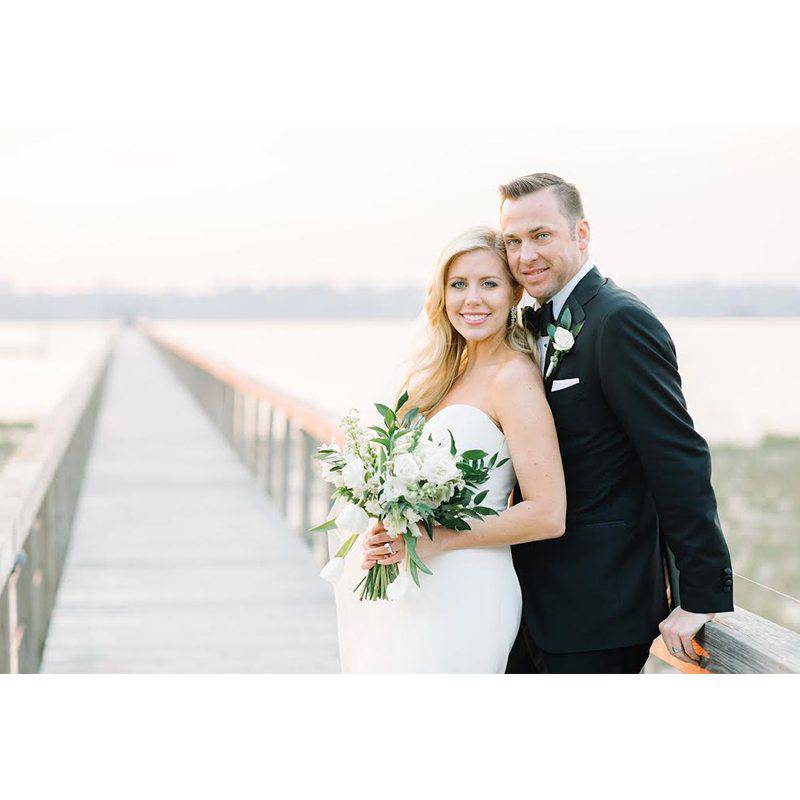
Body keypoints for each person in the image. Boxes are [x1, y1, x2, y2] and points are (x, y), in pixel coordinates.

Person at [367, 173, 735, 674]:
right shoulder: (525, 330)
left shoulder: (618, 321)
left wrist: (701, 594)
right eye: (514, 242)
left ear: (581, 235)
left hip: (600, 605)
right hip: (523, 598)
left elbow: (677, 456)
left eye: (541, 235)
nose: (526, 255)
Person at [328, 226, 566, 672]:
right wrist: (384, 524)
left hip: (468, 590)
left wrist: (435, 539)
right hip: (414, 589)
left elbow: (548, 514)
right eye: (458, 284)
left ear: (515, 293)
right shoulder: (441, 377)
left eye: (489, 284)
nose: (471, 299)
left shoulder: (513, 379)